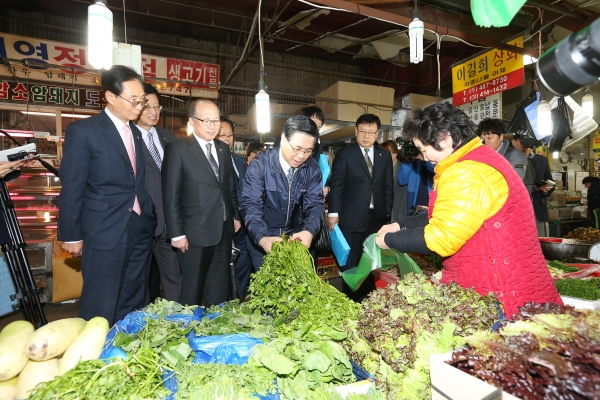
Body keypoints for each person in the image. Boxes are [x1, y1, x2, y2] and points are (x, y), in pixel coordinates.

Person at [375, 102, 562, 318]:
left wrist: (389, 240)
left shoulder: (466, 171)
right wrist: (401, 224)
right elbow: (451, 214)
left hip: (503, 295)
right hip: (510, 283)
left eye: (424, 150)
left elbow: (442, 238)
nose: (424, 158)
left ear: (444, 138)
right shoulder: (478, 159)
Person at [58, 65, 157, 325]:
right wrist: (71, 233)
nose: (140, 106)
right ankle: (95, 357)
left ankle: (125, 349)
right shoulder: (84, 131)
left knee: (134, 295)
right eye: (134, 100)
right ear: (110, 97)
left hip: (138, 224)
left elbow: (136, 182)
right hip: (104, 229)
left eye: (142, 100)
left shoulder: (135, 133)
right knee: (101, 301)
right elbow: (73, 186)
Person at [162, 100, 241, 307]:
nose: (211, 125)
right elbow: (170, 195)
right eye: (205, 120)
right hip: (193, 233)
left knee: (219, 287)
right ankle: (189, 331)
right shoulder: (177, 149)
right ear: (191, 121)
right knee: (192, 291)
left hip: (223, 231)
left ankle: (214, 329)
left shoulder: (223, 149)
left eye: (215, 120)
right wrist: (176, 234)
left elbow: (229, 187)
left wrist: (234, 216)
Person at [240, 116, 324, 269]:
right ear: (284, 139)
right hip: (264, 238)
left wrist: (309, 231)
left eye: (308, 151)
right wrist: (263, 238)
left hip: (295, 238)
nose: (301, 156)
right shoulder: (260, 165)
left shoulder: (312, 168)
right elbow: (250, 204)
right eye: (297, 149)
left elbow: (316, 204)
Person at [328, 114, 393, 301]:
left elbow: (388, 187)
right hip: (351, 217)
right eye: (362, 131)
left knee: (371, 260)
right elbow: (337, 185)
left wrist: (387, 213)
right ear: (356, 131)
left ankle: (368, 300)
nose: (366, 136)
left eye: (371, 132)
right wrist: (333, 213)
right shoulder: (345, 154)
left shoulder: (384, 155)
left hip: (376, 218)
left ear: (377, 134)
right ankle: (351, 301)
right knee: (352, 262)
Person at [135, 83, 181, 302]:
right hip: (140, 222)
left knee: (174, 280)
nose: (153, 112)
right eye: (147, 107)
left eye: (157, 106)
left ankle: (176, 325)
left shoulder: (168, 138)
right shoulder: (127, 137)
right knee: (140, 282)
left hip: (168, 225)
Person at [217, 116, 252, 299]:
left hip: (242, 225)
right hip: (222, 224)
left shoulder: (238, 160)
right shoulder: (211, 159)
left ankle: (238, 300)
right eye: (222, 134)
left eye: (230, 135)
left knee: (244, 263)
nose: (226, 138)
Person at [512, 134, 553, 236]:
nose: (527, 146)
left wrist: (547, 188)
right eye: (523, 142)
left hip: (538, 208)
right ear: (514, 142)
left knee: (542, 241)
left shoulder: (542, 160)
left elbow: (550, 181)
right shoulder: (509, 158)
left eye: (530, 143)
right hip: (516, 210)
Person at [397, 150, 435, 216]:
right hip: (415, 200)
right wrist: (407, 161)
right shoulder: (415, 161)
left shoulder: (436, 157)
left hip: (433, 200)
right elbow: (402, 181)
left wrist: (425, 159)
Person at [380, 140, 407, 221]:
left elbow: (404, 196)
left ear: (396, 153)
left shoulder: (403, 170)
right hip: (382, 212)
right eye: (382, 154)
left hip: (396, 212)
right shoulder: (379, 170)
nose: (385, 156)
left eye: (388, 153)